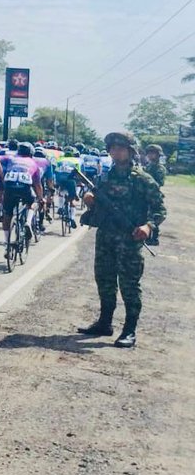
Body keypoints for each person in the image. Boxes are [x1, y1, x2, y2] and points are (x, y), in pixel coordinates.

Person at [78, 131, 165, 348]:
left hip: (129, 240)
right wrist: (89, 200)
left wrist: (148, 226)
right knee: (104, 280)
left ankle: (129, 330)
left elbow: (159, 209)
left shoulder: (142, 180)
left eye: (121, 148)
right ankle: (104, 323)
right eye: (113, 148)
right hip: (106, 237)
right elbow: (97, 203)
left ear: (130, 151)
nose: (117, 152)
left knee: (129, 285)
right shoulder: (105, 177)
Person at [0, 143, 45, 254]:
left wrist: (1, 175)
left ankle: (7, 244)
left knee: (7, 215)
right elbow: (38, 185)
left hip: (9, 186)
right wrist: (41, 198)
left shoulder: (11, 159)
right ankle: (28, 222)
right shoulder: (34, 163)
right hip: (25, 187)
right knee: (33, 203)